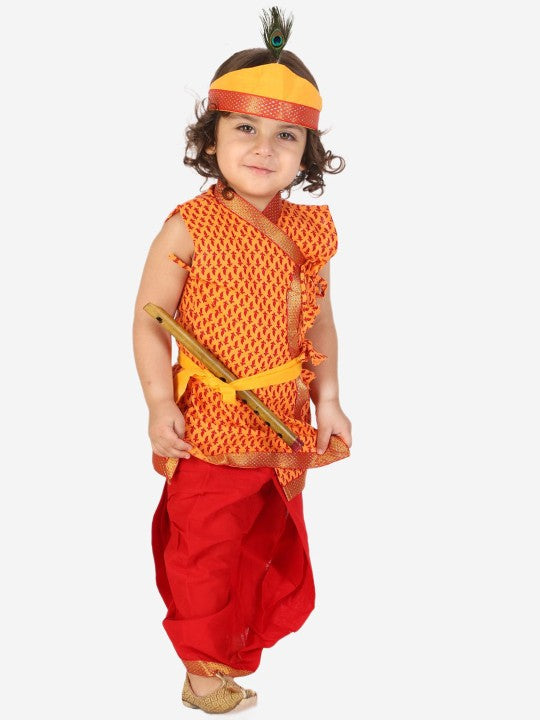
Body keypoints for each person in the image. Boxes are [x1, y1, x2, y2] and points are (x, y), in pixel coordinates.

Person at [132, 6, 352, 713]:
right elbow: (148, 322)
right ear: (212, 138)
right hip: (209, 425)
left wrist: (329, 400)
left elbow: (320, 324)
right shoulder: (187, 227)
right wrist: (159, 405)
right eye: (244, 129)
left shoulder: (308, 233)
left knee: (260, 541)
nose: (264, 148)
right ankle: (202, 675)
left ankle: (221, 658)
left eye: (285, 135)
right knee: (204, 547)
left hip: (280, 420)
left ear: (306, 151)